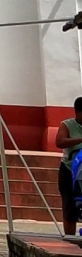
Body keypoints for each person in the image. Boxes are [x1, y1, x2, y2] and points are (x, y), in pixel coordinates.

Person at [56, 97, 82, 235]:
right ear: (77, 112)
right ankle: (70, 239)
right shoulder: (67, 125)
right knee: (69, 205)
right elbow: (59, 142)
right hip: (70, 169)